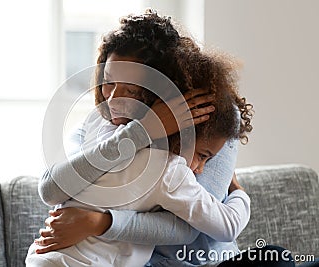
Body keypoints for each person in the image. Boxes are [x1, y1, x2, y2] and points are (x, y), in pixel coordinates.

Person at [30, 10, 292, 267]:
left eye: (131, 90)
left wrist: (101, 222)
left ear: (160, 93)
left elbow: (187, 230)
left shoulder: (208, 119)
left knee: (278, 258)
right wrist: (144, 129)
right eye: (108, 82)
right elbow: (51, 188)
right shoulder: (98, 123)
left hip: (197, 259)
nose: (113, 100)